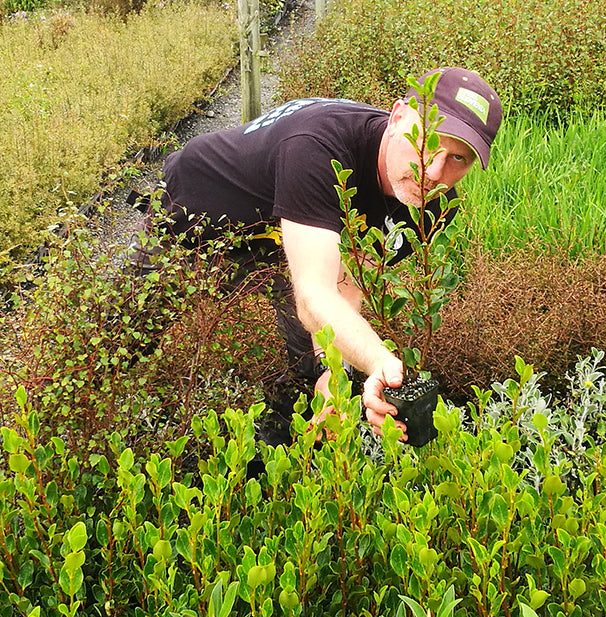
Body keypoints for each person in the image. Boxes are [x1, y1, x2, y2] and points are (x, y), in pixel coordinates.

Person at [129, 67, 502, 443]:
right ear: (398, 117)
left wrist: (333, 372)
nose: (433, 172)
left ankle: (276, 451)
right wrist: (379, 361)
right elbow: (314, 297)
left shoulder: (431, 205)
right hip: (195, 217)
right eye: (427, 143)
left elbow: (348, 279)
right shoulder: (318, 148)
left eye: (459, 158)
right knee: (128, 332)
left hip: (284, 236)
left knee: (314, 363)